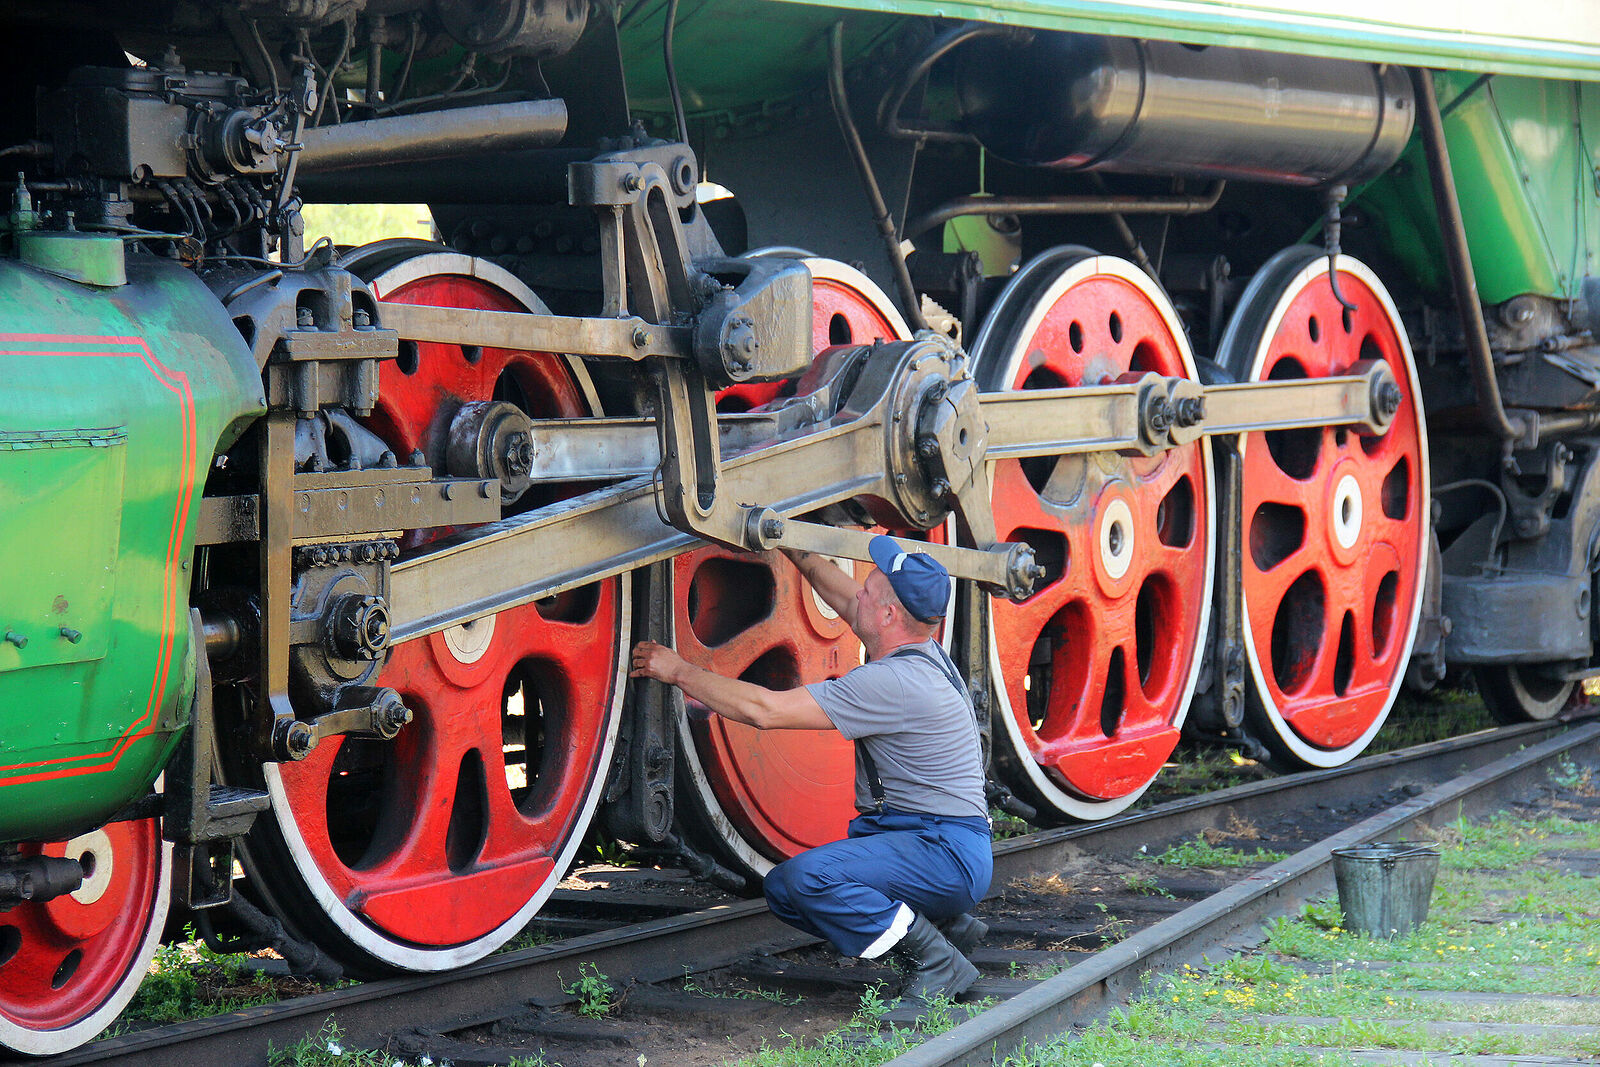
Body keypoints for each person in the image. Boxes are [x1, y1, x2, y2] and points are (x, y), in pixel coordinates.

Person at [630, 534, 992, 1007]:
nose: (857, 594)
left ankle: (935, 958)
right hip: (937, 842)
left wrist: (678, 671)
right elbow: (844, 597)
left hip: (942, 852)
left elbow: (765, 710)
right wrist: (789, 545)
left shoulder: (893, 682)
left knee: (809, 881)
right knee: (783, 888)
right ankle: (944, 926)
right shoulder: (919, 648)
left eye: (868, 591)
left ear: (888, 616)